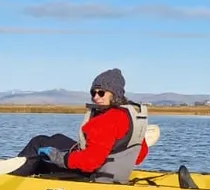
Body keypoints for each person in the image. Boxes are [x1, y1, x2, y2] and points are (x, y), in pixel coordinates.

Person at [14, 69, 150, 183]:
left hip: (95, 175)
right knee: (57, 138)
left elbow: (91, 162)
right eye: (93, 93)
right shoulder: (131, 116)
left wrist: (59, 157)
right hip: (115, 174)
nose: (96, 97)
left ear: (115, 94)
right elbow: (138, 157)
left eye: (101, 92)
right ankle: (33, 172)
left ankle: (13, 178)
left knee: (39, 142)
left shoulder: (106, 120)